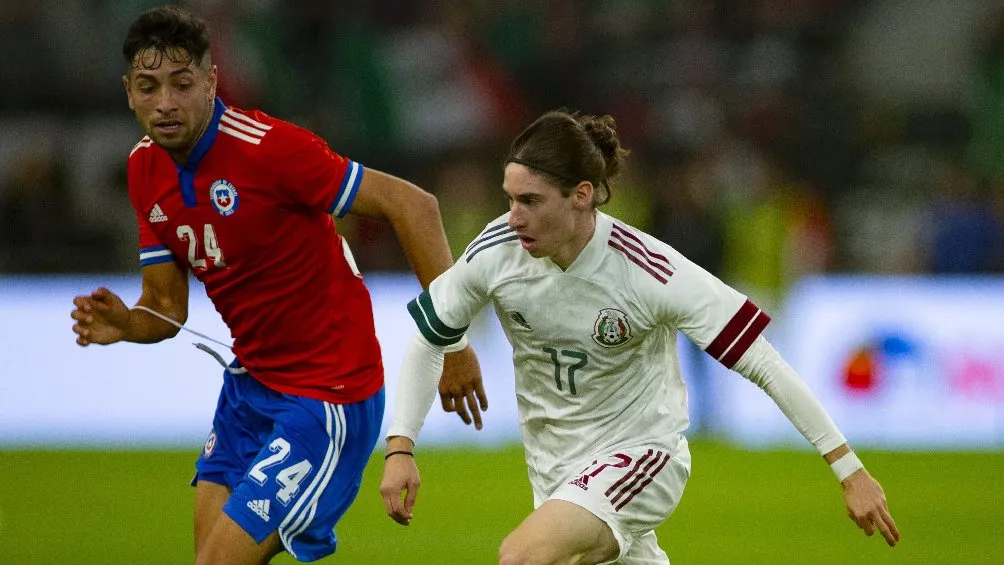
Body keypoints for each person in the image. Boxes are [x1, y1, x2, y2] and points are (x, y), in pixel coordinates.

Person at [379, 110, 900, 564]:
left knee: (523, 556)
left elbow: (763, 362)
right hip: (554, 470)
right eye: (510, 199)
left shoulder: (649, 271)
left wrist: (849, 471)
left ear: (581, 196)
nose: (513, 216)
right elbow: (431, 335)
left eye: (531, 201)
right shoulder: (498, 250)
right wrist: (400, 447)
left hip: (642, 455)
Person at [68, 5, 486, 565]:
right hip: (249, 387)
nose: (165, 103)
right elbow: (165, 308)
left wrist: (452, 341)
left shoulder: (268, 148)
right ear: (128, 93)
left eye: (181, 83)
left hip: (327, 395)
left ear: (211, 82)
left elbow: (415, 205)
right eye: (149, 87)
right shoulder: (146, 170)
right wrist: (129, 324)